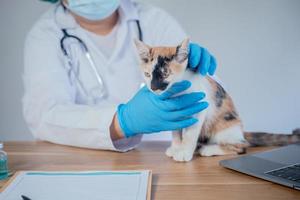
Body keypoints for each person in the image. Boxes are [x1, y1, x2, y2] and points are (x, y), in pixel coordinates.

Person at [23, 0, 217, 152]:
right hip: (78, 159)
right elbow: (45, 116)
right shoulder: (45, 35)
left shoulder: (154, 19)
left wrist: (193, 72)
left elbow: (203, 99)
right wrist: (122, 122)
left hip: (161, 156)